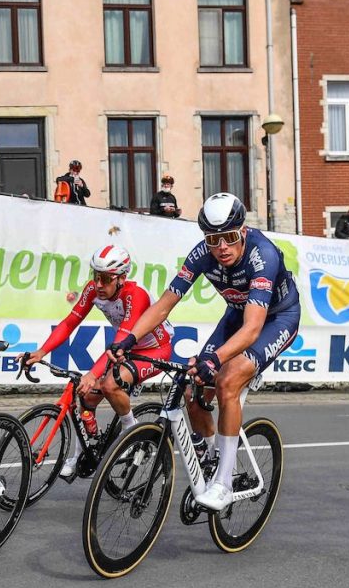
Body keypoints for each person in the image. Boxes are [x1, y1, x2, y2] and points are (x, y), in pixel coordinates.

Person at [109, 192, 300, 512]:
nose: (221, 247)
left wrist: (216, 358)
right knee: (192, 384)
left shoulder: (262, 255)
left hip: (276, 319)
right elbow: (164, 305)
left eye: (228, 237)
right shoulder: (202, 254)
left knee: (227, 381)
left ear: (241, 231)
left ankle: (224, 484)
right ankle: (213, 456)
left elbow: (253, 329)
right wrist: (127, 340)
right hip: (237, 315)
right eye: (213, 239)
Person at [18, 245, 173, 478]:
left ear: (121, 278)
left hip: (154, 349)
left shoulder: (135, 295)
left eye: (105, 278)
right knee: (86, 396)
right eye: (95, 276)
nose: (98, 284)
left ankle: (130, 432)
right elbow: (70, 322)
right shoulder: (94, 289)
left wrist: (92, 374)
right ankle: (81, 454)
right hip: (124, 349)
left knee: (110, 384)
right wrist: (42, 351)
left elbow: (120, 340)